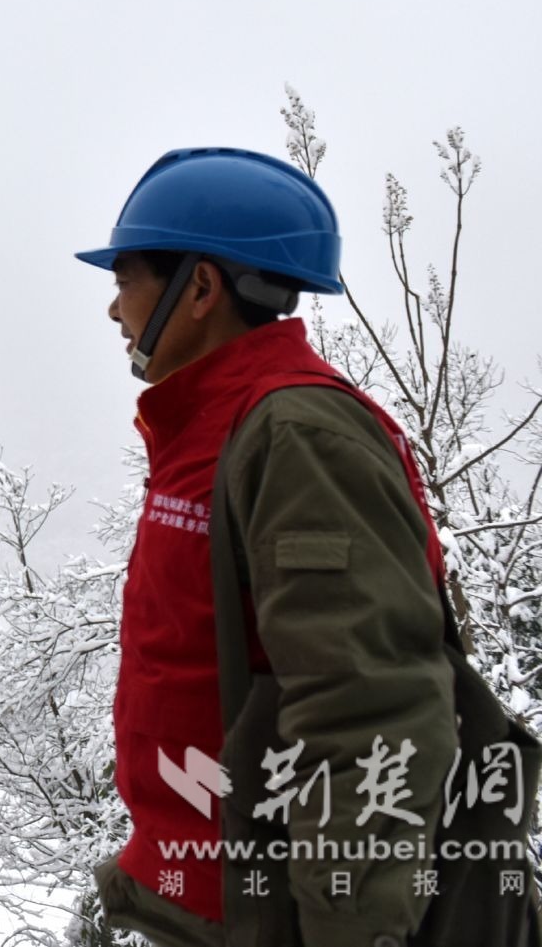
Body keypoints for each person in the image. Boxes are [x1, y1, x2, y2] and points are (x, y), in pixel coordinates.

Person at [78, 146, 465, 947]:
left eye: (124, 279)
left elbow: (367, 707)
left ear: (200, 288)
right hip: (214, 901)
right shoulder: (211, 430)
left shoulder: (297, 437)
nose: (114, 309)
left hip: (272, 918)